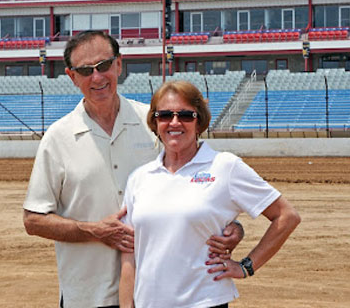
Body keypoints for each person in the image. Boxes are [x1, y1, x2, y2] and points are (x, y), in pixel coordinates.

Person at [23, 31, 244, 308]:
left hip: (158, 294)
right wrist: (93, 230)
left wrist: (231, 226)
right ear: (72, 76)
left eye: (104, 66)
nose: (97, 77)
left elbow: (197, 184)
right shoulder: (57, 138)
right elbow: (33, 220)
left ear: (118, 65)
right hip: (88, 294)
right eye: (85, 70)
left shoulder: (157, 124)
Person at [119, 80, 301, 308]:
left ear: (199, 121)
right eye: (164, 115)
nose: (174, 122)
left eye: (186, 115)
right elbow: (129, 255)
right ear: (155, 122)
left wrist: (246, 266)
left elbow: (287, 216)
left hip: (204, 302)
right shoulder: (139, 178)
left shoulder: (225, 166)